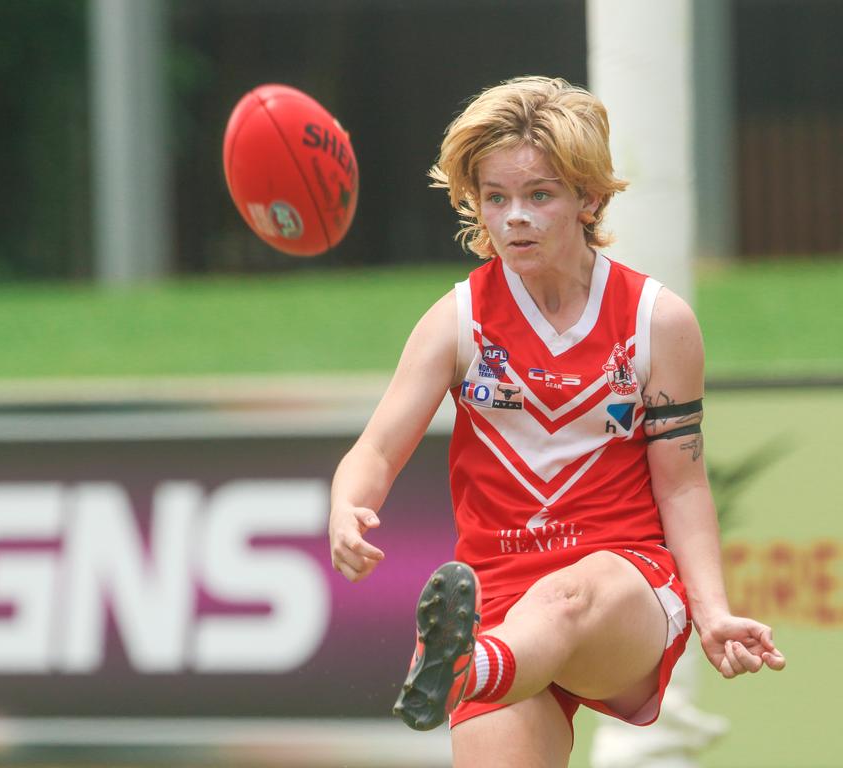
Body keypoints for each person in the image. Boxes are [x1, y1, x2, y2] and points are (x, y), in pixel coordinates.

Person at [327, 76, 785, 767]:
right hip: (497, 605)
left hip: (621, 590)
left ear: (589, 199)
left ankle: (463, 671)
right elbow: (378, 449)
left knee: (565, 597)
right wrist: (346, 506)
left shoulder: (656, 321)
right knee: (526, 632)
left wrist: (714, 610)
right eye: (496, 197)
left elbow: (684, 486)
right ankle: (479, 665)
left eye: (539, 195)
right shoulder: (454, 322)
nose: (515, 217)